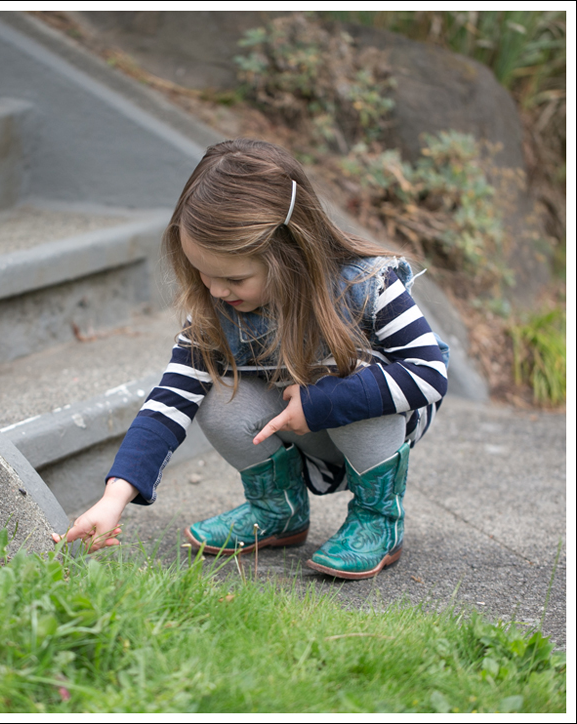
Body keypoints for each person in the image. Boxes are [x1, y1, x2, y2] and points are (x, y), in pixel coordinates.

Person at [54, 138, 449, 580]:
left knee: (361, 385)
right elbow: (169, 400)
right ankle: (277, 510)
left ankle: (378, 520)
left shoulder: (365, 285)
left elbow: (429, 373)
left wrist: (322, 402)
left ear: (291, 253)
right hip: (297, 419)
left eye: (234, 277)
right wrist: (114, 499)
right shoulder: (216, 309)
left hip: (375, 427)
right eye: (203, 273)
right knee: (214, 396)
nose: (217, 291)